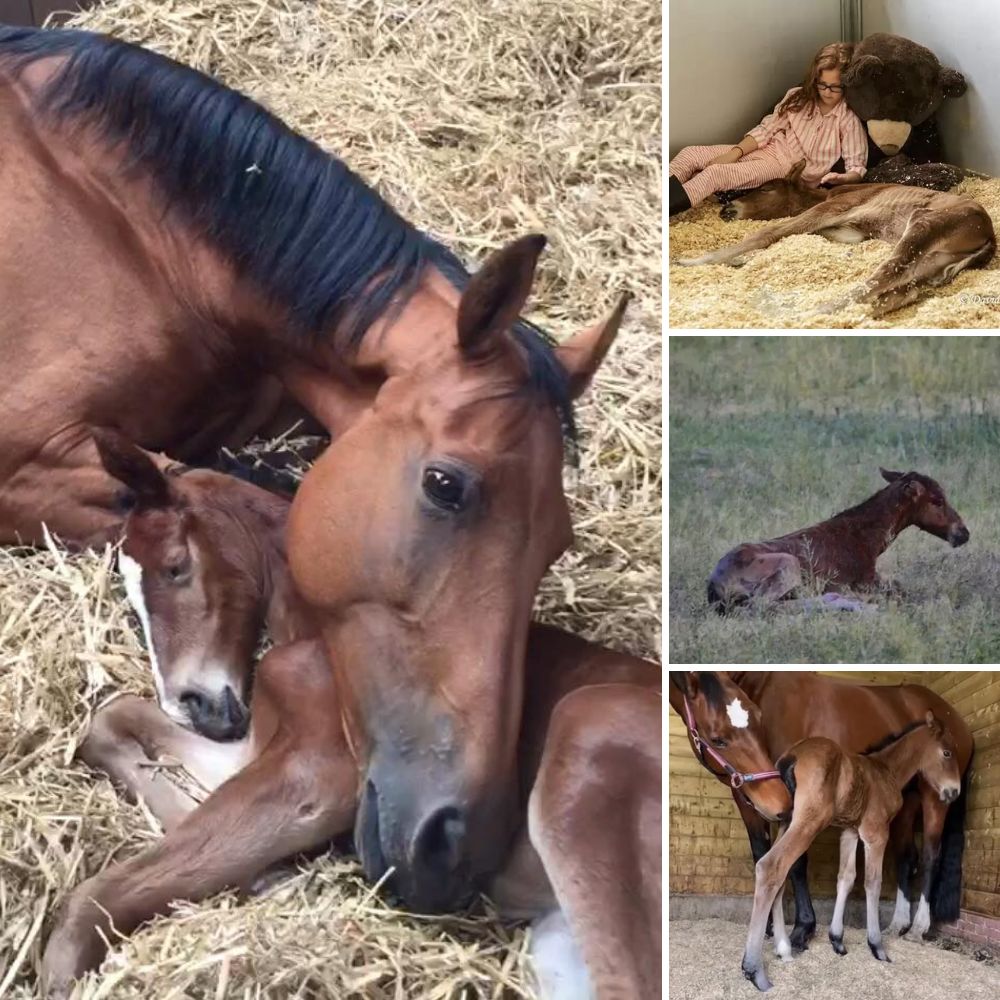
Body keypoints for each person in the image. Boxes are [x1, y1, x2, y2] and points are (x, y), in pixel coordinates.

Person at [669, 43, 868, 216]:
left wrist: (842, 178)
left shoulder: (848, 120)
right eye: (821, 84)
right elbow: (767, 129)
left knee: (715, 174)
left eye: (834, 87)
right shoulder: (798, 97)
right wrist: (734, 153)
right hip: (768, 148)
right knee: (691, 153)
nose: (826, 92)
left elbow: (856, 166)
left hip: (785, 168)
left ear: (846, 85)